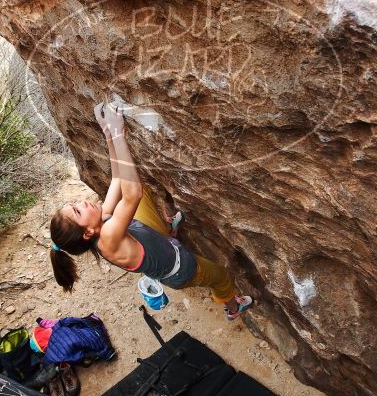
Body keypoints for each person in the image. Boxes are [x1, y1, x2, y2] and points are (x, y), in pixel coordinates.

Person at [48, 101, 253, 320]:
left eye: (74, 204)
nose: (82, 203)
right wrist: (119, 134)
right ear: (88, 232)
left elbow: (118, 177)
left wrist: (107, 133)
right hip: (181, 268)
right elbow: (131, 193)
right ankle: (233, 308)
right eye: (78, 212)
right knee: (220, 276)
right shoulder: (107, 238)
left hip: (154, 241)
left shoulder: (100, 221)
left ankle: (166, 229)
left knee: (139, 192)